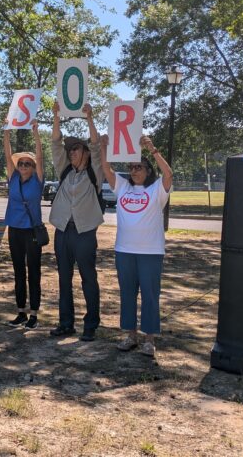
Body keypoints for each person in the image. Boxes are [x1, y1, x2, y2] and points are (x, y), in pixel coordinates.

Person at [100, 134, 173, 358]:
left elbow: (168, 173)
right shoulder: (122, 187)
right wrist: (104, 147)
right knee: (128, 294)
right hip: (124, 250)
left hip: (150, 251)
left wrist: (152, 149)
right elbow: (107, 170)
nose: (134, 171)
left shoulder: (157, 190)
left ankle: (149, 339)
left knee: (150, 295)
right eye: (131, 167)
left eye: (139, 167)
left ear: (148, 170)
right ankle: (130, 336)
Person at [49, 103, 104, 341]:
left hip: (84, 233)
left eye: (76, 149)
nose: (71, 152)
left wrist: (89, 118)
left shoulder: (95, 173)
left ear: (86, 153)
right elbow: (54, 144)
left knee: (88, 278)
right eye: (70, 150)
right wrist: (56, 116)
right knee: (63, 279)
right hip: (62, 231)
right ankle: (66, 323)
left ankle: (91, 324)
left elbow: (96, 144)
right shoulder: (65, 171)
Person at [2, 120, 45, 329]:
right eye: (21, 164)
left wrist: (36, 134)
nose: (23, 166)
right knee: (18, 271)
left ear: (33, 167)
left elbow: (40, 155)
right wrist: (6, 133)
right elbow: (7, 153)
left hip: (32, 231)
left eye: (27, 164)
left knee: (33, 272)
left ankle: (34, 314)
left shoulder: (38, 180)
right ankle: (21, 312)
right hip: (15, 229)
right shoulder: (13, 178)